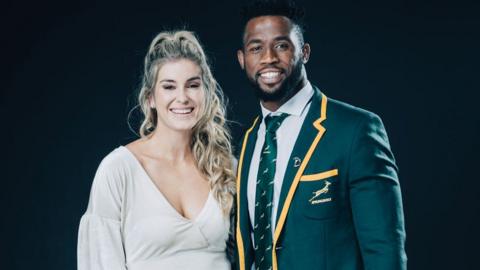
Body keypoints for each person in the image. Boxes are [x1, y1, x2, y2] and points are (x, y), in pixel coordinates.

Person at [234, 1, 407, 270]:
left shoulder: (355, 130)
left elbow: (384, 252)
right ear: (242, 59)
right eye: (256, 48)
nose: (268, 57)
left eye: (281, 45)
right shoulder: (247, 141)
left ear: (304, 52)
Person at [78, 30, 236, 270]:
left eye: (192, 85)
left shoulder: (225, 167)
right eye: (169, 87)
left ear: (205, 93)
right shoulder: (119, 170)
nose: (182, 97)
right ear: (150, 97)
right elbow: (99, 262)